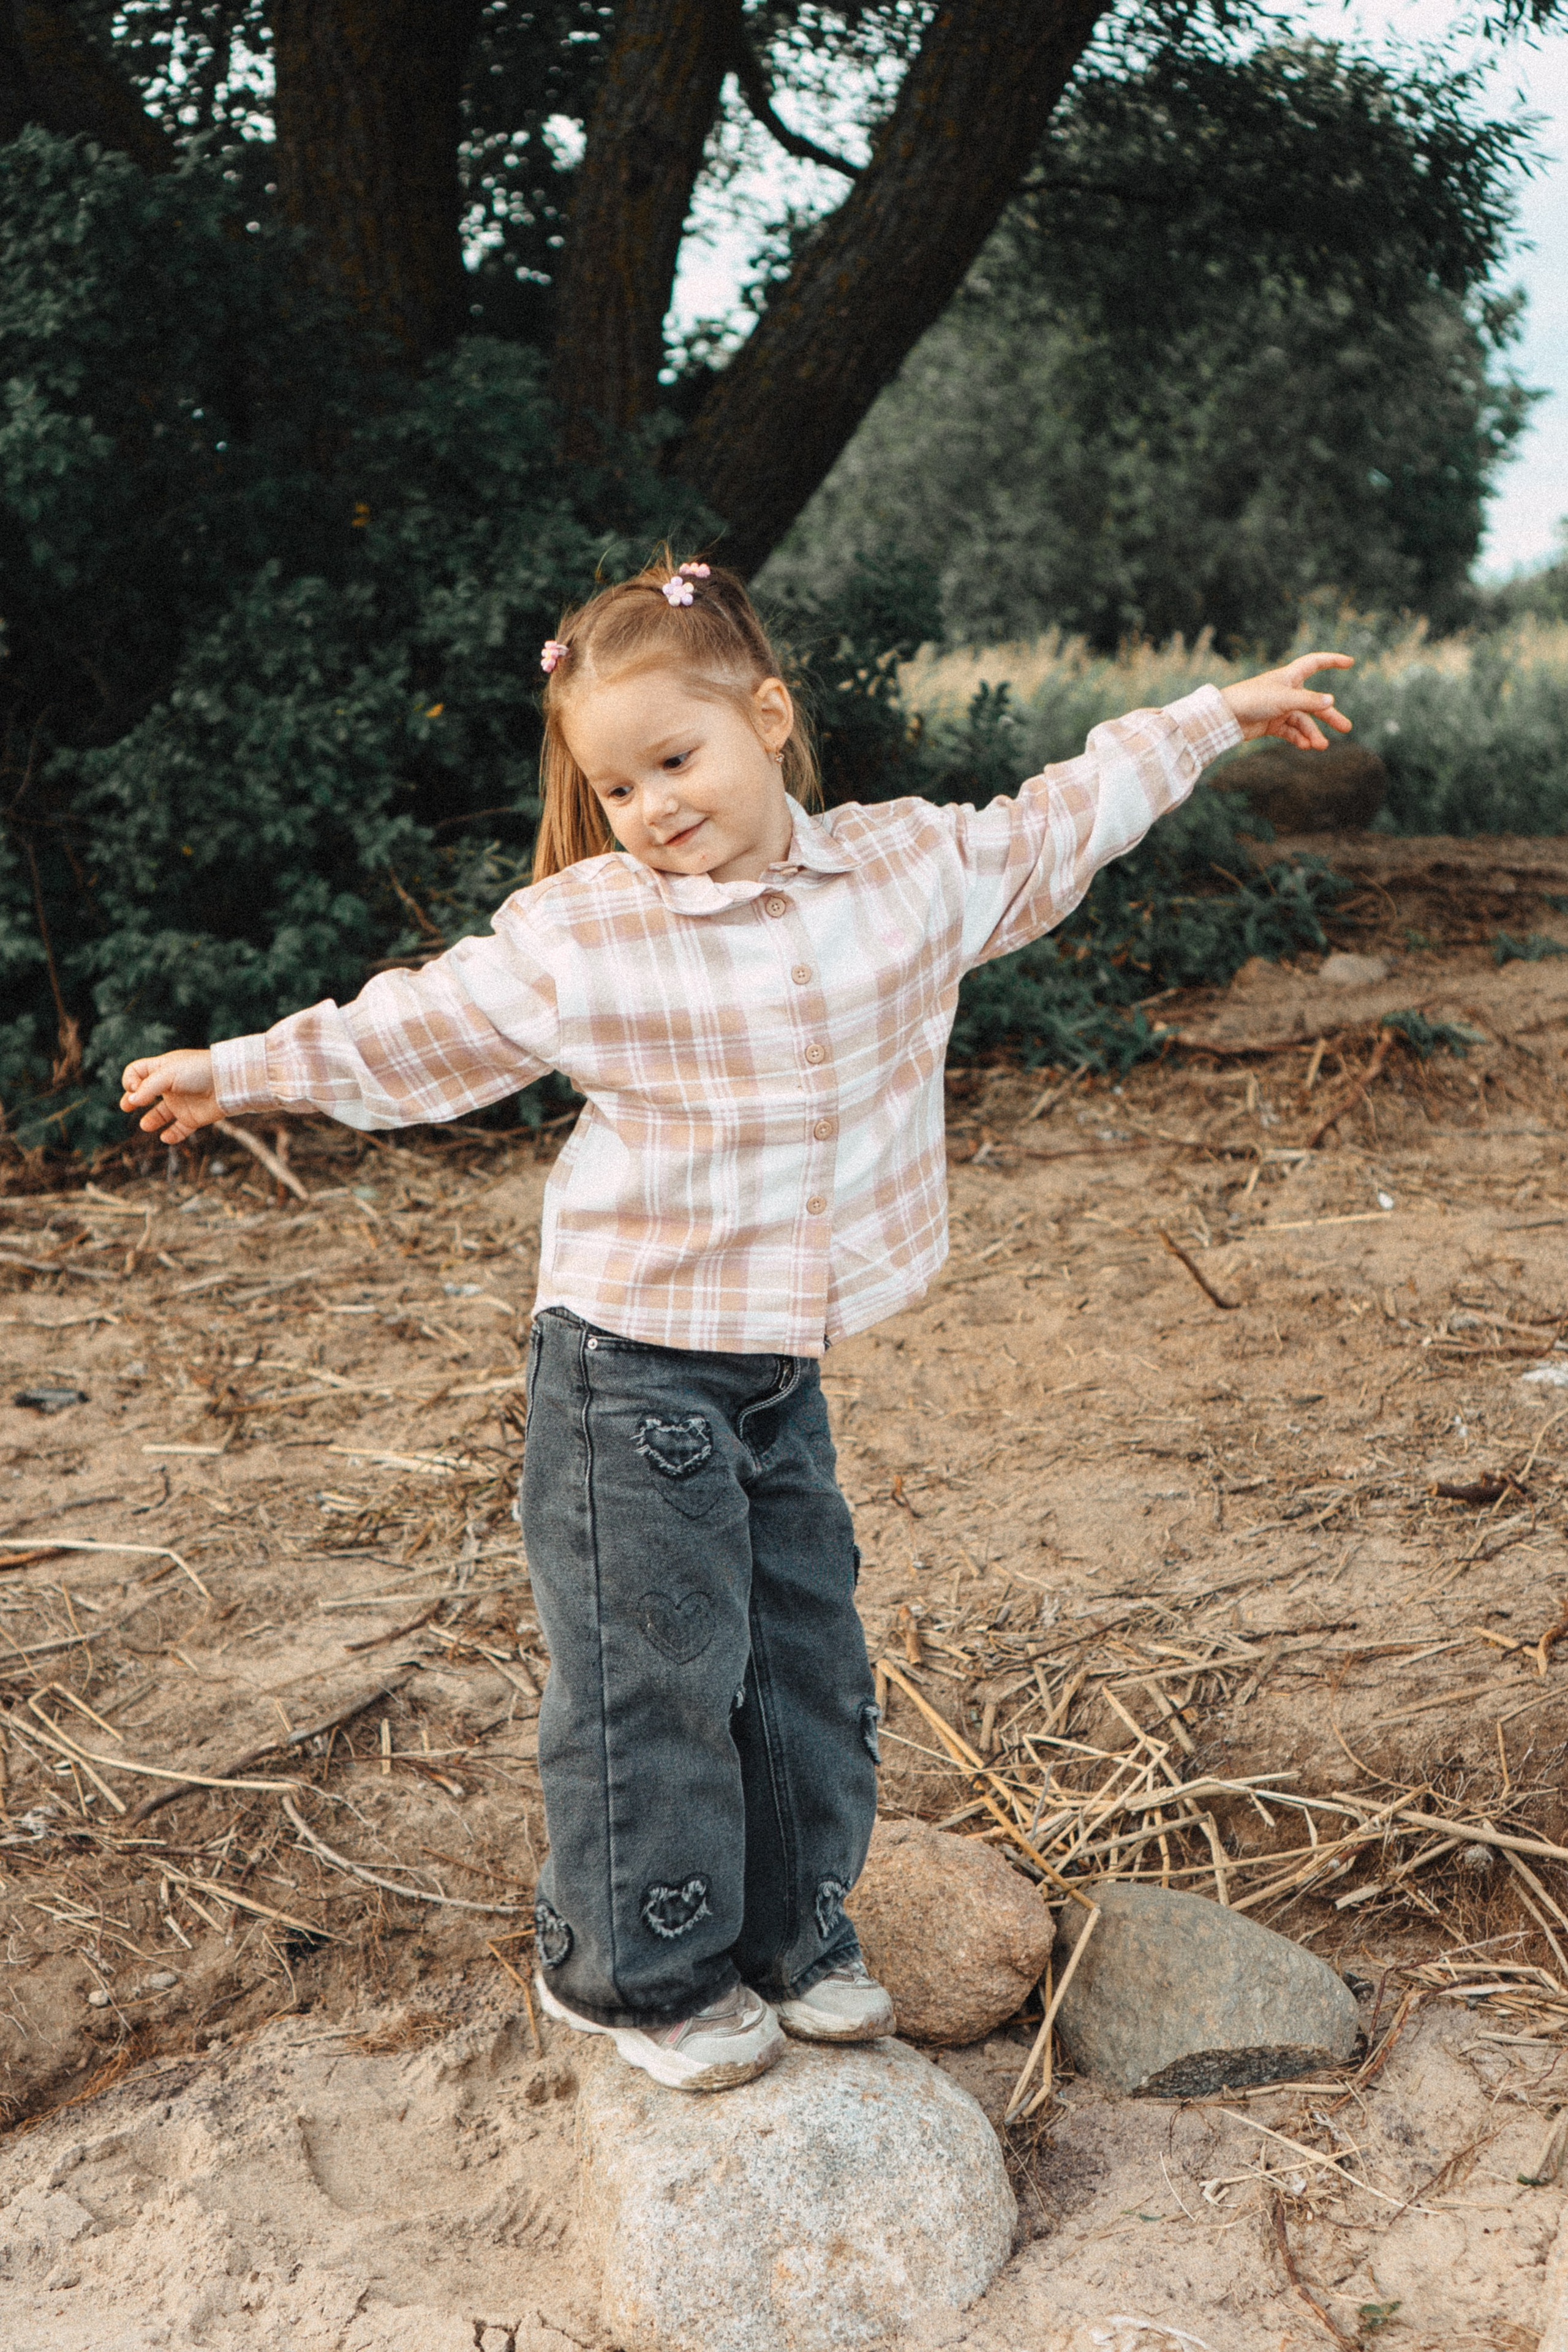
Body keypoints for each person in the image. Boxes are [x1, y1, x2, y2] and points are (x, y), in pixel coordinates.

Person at [121, 554, 1352, 2094]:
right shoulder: (588, 934)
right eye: (617, 783)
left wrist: (1211, 716)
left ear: (766, 718)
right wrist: (235, 1070)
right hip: (626, 1364)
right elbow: (417, 1026)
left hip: (778, 1363)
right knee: (656, 1671)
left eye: (677, 759)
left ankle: (788, 1937)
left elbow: (1057, 820)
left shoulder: (904, 876)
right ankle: (631, 1971)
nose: (650, 805)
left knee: (801, 1659)